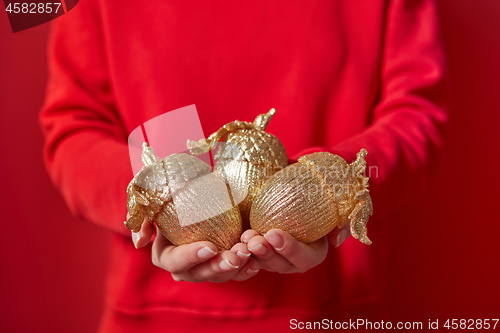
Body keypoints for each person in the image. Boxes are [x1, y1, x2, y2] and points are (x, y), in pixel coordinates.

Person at [40, 0, 448, 331]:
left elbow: (417, 115)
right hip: (156, 316)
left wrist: (329, 186)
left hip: (329, 311)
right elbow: (74, 130)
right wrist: (158, 198)